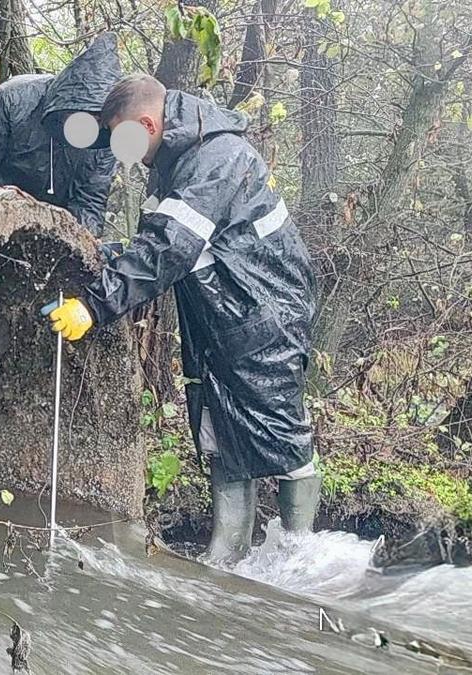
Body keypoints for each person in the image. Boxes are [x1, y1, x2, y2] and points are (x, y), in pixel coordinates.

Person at [41, 74, 320, 564]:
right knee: (219, 435)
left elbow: (170, 248)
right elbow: (153, 240)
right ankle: (227, 557)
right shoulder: (173, 160)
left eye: (125, 138)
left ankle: (299, 563)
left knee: (284, 439)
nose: (124, 153)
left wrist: (94, 304)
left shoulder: (216, 159)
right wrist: (104, 256)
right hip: (218, 319)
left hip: (264, 317)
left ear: (149, 123)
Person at [0, 33, 121, 235]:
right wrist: (1, 225)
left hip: (53, 226)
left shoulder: (106, 140)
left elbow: (89, 201)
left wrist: (78, 246)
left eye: (98, 121)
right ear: (68, 102)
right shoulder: (12, 100)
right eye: (84, 116)